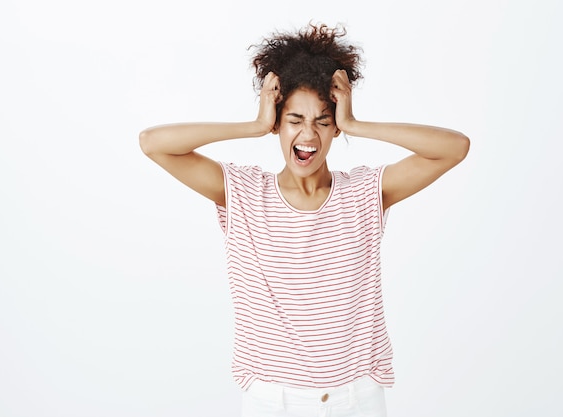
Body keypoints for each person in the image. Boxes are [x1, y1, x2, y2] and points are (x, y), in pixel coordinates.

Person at [140, 22, 469, 417]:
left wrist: (356, 125)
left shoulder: (365, 193)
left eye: (323, 121)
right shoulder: (243, 193)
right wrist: (254, 126)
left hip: (358, 400)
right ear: (278, 124)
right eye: (294, 120)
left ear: (335, 129)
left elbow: (454, 148)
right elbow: (153, 143)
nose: (308, 134)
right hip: (272, 402)